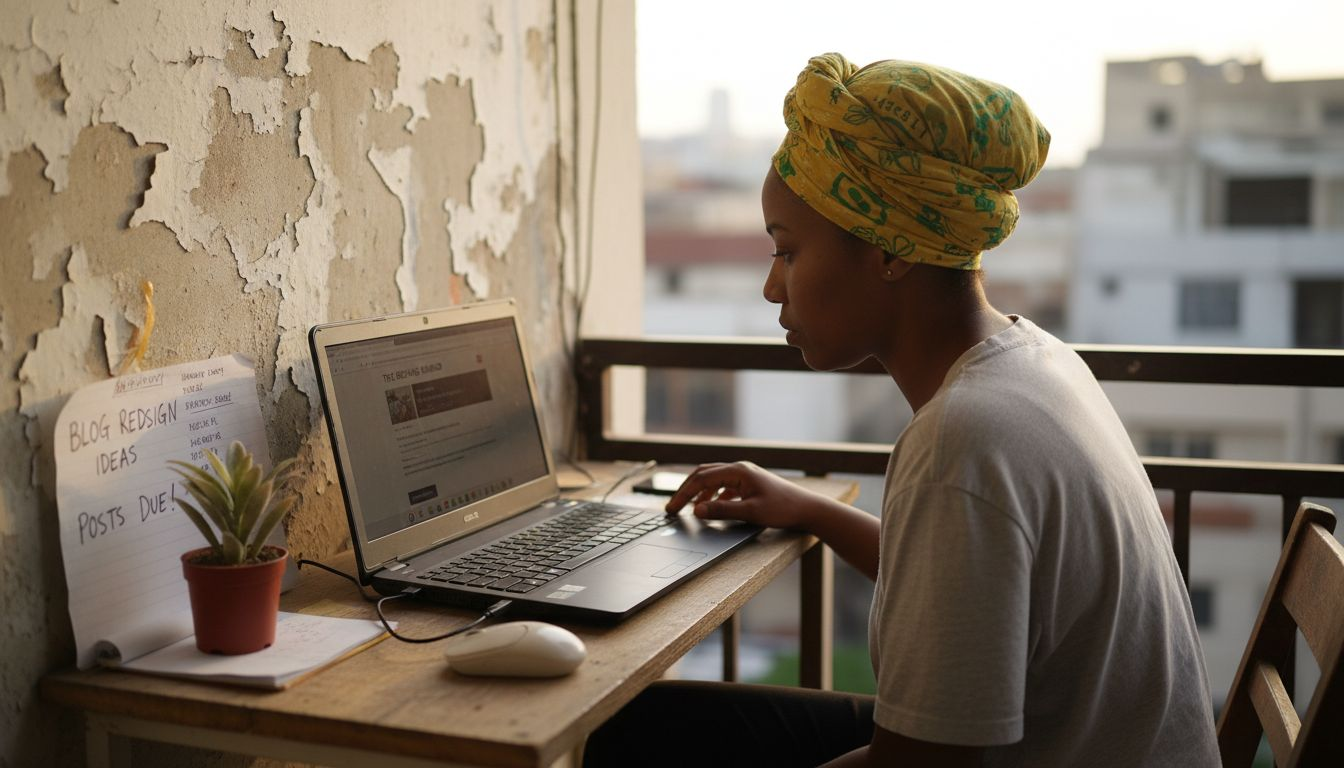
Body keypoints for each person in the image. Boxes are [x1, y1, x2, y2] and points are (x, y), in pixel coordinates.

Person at [583, 53, 1220, 767]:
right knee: (648, 723)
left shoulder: (964, 437)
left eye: (787, 253)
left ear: (891, 251)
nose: (771, 288)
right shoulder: (1036, 361)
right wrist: (814, 511)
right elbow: (975, 602)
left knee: (633, 740)